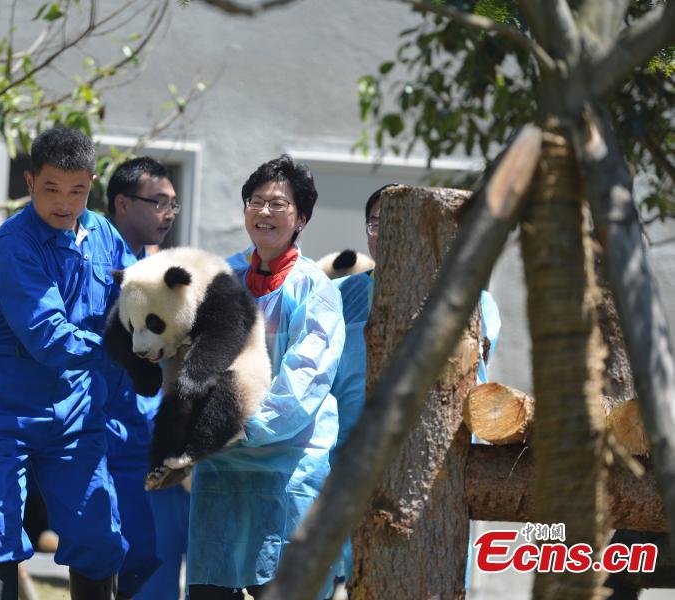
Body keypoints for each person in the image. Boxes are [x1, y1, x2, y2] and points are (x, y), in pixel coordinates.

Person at [0, 127, 132, 600]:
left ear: (91, 185)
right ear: (31, 182)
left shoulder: (104, 236)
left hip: (76, 414)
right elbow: (49, 337)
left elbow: (137, 296)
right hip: (2, 411)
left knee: (98, 532)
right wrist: (122, 349)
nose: (64, 203)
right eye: (51, 188)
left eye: (77, 191)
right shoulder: (14, 244)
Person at [187, 155, 345, 600]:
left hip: (289, 466)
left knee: (285, 589)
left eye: (279, 204)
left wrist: (245, 426)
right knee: (209, 589)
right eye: (256, 201)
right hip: (221, 466)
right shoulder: (221, 277)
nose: (265, 212)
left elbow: (306, 376)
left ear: (302, 218)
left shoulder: (315, 288)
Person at [328, 184, 501, 589]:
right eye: (376, 223)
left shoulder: (476, 302)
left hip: (432, 480)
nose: (387, 232)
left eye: (399, 224)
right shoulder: (340, 297)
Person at [104, 156, 191, 600]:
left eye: (173, 204)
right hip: (96, 436)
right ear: (122, 203)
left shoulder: (161, 272)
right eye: (159, 202)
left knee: (149, 564)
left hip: (145, 440)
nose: (169, 213)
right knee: (98, 553)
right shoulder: (94, 260)